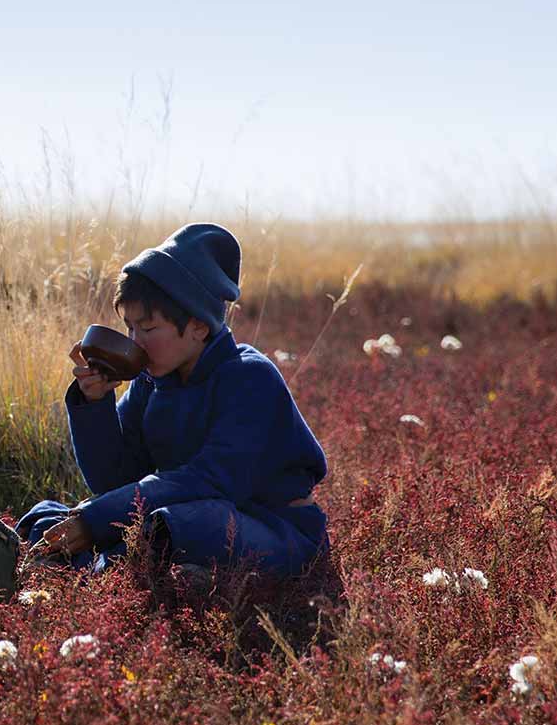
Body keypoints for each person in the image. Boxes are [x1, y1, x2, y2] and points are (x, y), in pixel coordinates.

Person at [18, 223, 328, 584]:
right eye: (130, 328)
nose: (135, 341)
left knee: (181, 524)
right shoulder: (153, 381)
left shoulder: (250, 378)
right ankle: (110, 572)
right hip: (184, 517)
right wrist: (96, 404)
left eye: (148, 329)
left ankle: (96, 573)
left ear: (198, 326)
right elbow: (113, 479)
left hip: (273, 530)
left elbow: (211, 482)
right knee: (49, 517)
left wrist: (94, 520)